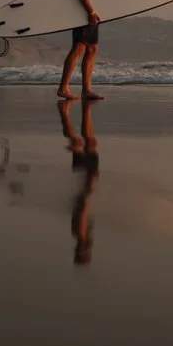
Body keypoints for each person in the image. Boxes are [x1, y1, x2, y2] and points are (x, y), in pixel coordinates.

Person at [57, 95, 100, 265]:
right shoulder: (79, 233)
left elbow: (82, 209)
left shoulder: (80, 233)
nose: (89, 249)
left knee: (81, 144)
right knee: (87, 143)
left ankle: (65, 113)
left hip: (84, 182)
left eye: (86, 252)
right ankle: (79, 112)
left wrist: (89, 187)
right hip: (82, 182)